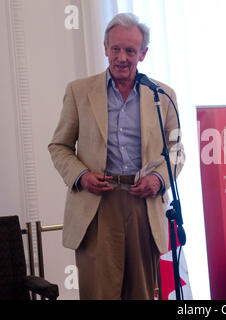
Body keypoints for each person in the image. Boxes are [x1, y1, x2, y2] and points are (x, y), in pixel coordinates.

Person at [48, 13, 184, 300]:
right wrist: (81, 176)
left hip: (143, 205)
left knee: (142, 294)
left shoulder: (162, 95)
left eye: (130, 51)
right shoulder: (78, 91)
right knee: (100, 294)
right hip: (96, 207)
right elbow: (58, 146)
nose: (122, 57)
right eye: (116, 49)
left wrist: (159, 180)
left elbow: (177, 151)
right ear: (105, 47)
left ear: (143, 54)